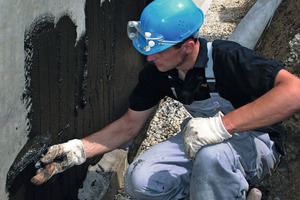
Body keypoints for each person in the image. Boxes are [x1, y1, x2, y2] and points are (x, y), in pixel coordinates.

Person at [34, 0, 300, 199]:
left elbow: (294, 92)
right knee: (140, 180)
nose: (150, 57)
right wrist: (79, 149)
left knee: (211, 157)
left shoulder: (227, 59)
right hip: (206, 141)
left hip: (256, 143)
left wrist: (222, 126)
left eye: (158, 50)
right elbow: (129, 125)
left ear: (188, 45)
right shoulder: (159, 72)